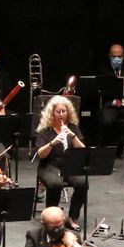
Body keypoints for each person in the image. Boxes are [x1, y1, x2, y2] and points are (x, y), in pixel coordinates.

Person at [33, 94, 90, 231]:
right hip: (49, 165)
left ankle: (72, 217)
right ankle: (51, 218)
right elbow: (40, 154)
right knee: (55, 184)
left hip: (69, 165)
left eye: (64, 111)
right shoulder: (44, 131)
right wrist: (53, 143)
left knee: (83, 183)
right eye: (58, 112)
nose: (61, 115)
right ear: (51, 113)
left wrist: (72, 136)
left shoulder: (72, 127)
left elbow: (83, 151)